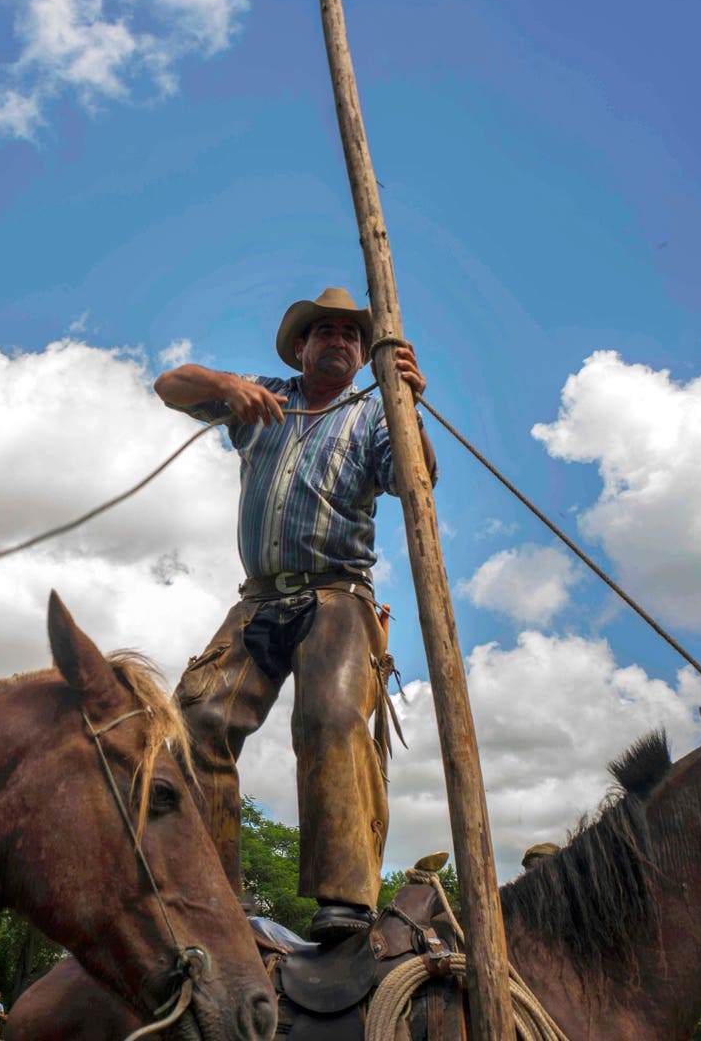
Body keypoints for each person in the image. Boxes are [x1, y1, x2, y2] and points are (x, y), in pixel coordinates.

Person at [154, 286, 435, 944]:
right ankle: (207, 891)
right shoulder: (264, 397)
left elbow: (416, 478)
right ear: (301, 347)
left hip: (337, 593)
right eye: (324, 331)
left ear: (364, 356)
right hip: (258, 597)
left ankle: (344, 899)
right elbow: (170, 385)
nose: (338, 340)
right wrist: (226, 383)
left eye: (349, 334)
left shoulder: (373, 415)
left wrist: (409, 408)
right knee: (196, 721)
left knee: (330, 718)